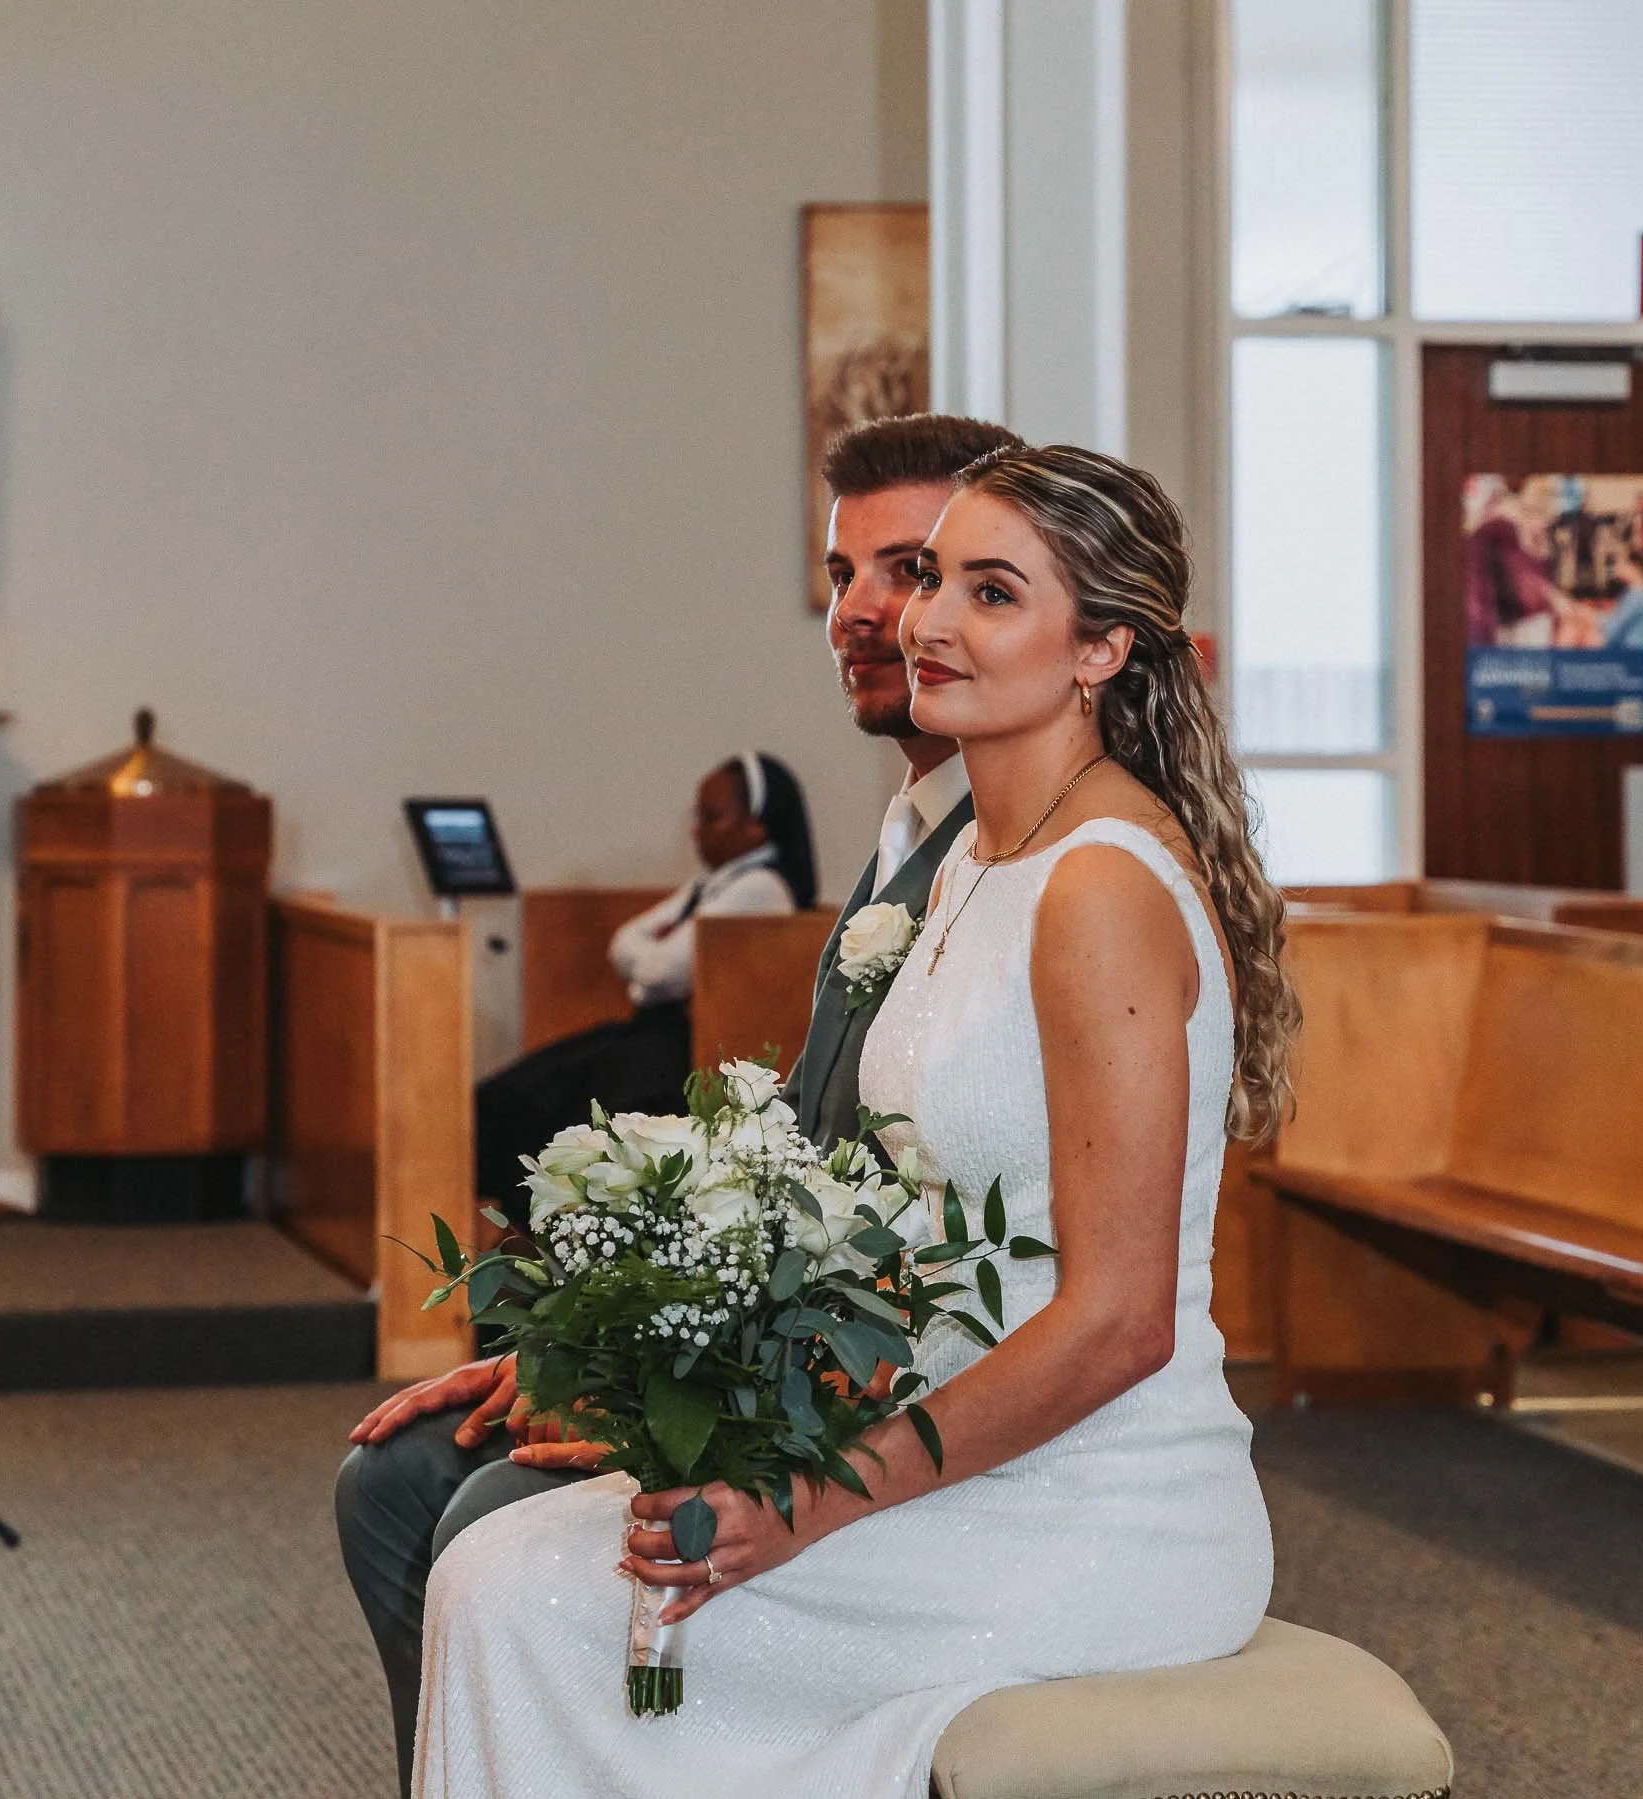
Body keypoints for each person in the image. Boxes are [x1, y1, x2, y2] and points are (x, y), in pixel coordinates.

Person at [410, 442, 1298, 1798]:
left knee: (524, 1599)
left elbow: (1122, 1320)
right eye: (933, 576)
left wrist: (802, 1505)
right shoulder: (971, 862)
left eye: (992, 592)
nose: (928, 619)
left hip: (1094, 1501)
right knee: (500, 1566)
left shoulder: (1099, 886)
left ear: (1100, 649)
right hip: (936, 1447)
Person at [333, 412, 1016, 1795]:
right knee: (396, 1472)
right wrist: (596, 1352)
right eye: (842, 573)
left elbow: (936, 1224)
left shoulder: (1015, 858)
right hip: (810, 1347)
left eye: (912, 568)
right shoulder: (906, 834)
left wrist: (693, 1402)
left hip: (904, 1402)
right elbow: (812, 1163)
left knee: (455, 1510)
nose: (862, 610)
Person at [469, 752, 815, 1223]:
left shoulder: (761, 887)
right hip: (649, 1033)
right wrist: (652, 957)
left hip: (685, 1048)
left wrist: (654, 955)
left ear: (757, 826)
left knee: (558, 1113)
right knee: (515, 1092)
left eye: (712, 817)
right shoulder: (713, 883)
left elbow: (659, 974)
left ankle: (549, 1229)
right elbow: (623, 945)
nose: (696, 830)